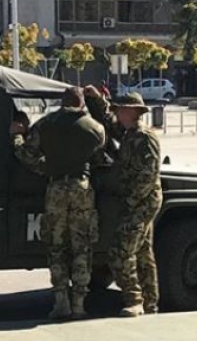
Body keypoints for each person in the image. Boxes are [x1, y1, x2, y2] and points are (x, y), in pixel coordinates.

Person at [11, 88, 106, 320]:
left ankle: (61, 301)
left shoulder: (45, 124)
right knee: (81, 245)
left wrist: (16, 137)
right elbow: (100, 156)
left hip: (55, 188)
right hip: (82, 188)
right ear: (82, 103)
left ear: (61, 103)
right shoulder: (95, 128)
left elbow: (27, 154)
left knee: (56, 245)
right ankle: (80, 303)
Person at [84, 86, 162, 317]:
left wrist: (130, 201)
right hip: (138, 201)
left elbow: (148, 175)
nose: (117, 113)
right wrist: (96, 100)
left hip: (142, 202)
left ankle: (134, 300)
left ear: (132, 111)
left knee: (120, 251)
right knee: (143, 254)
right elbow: (108, 122)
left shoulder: (144, 137)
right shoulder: (129, 133)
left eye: (121, 109)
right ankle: (150, 303)